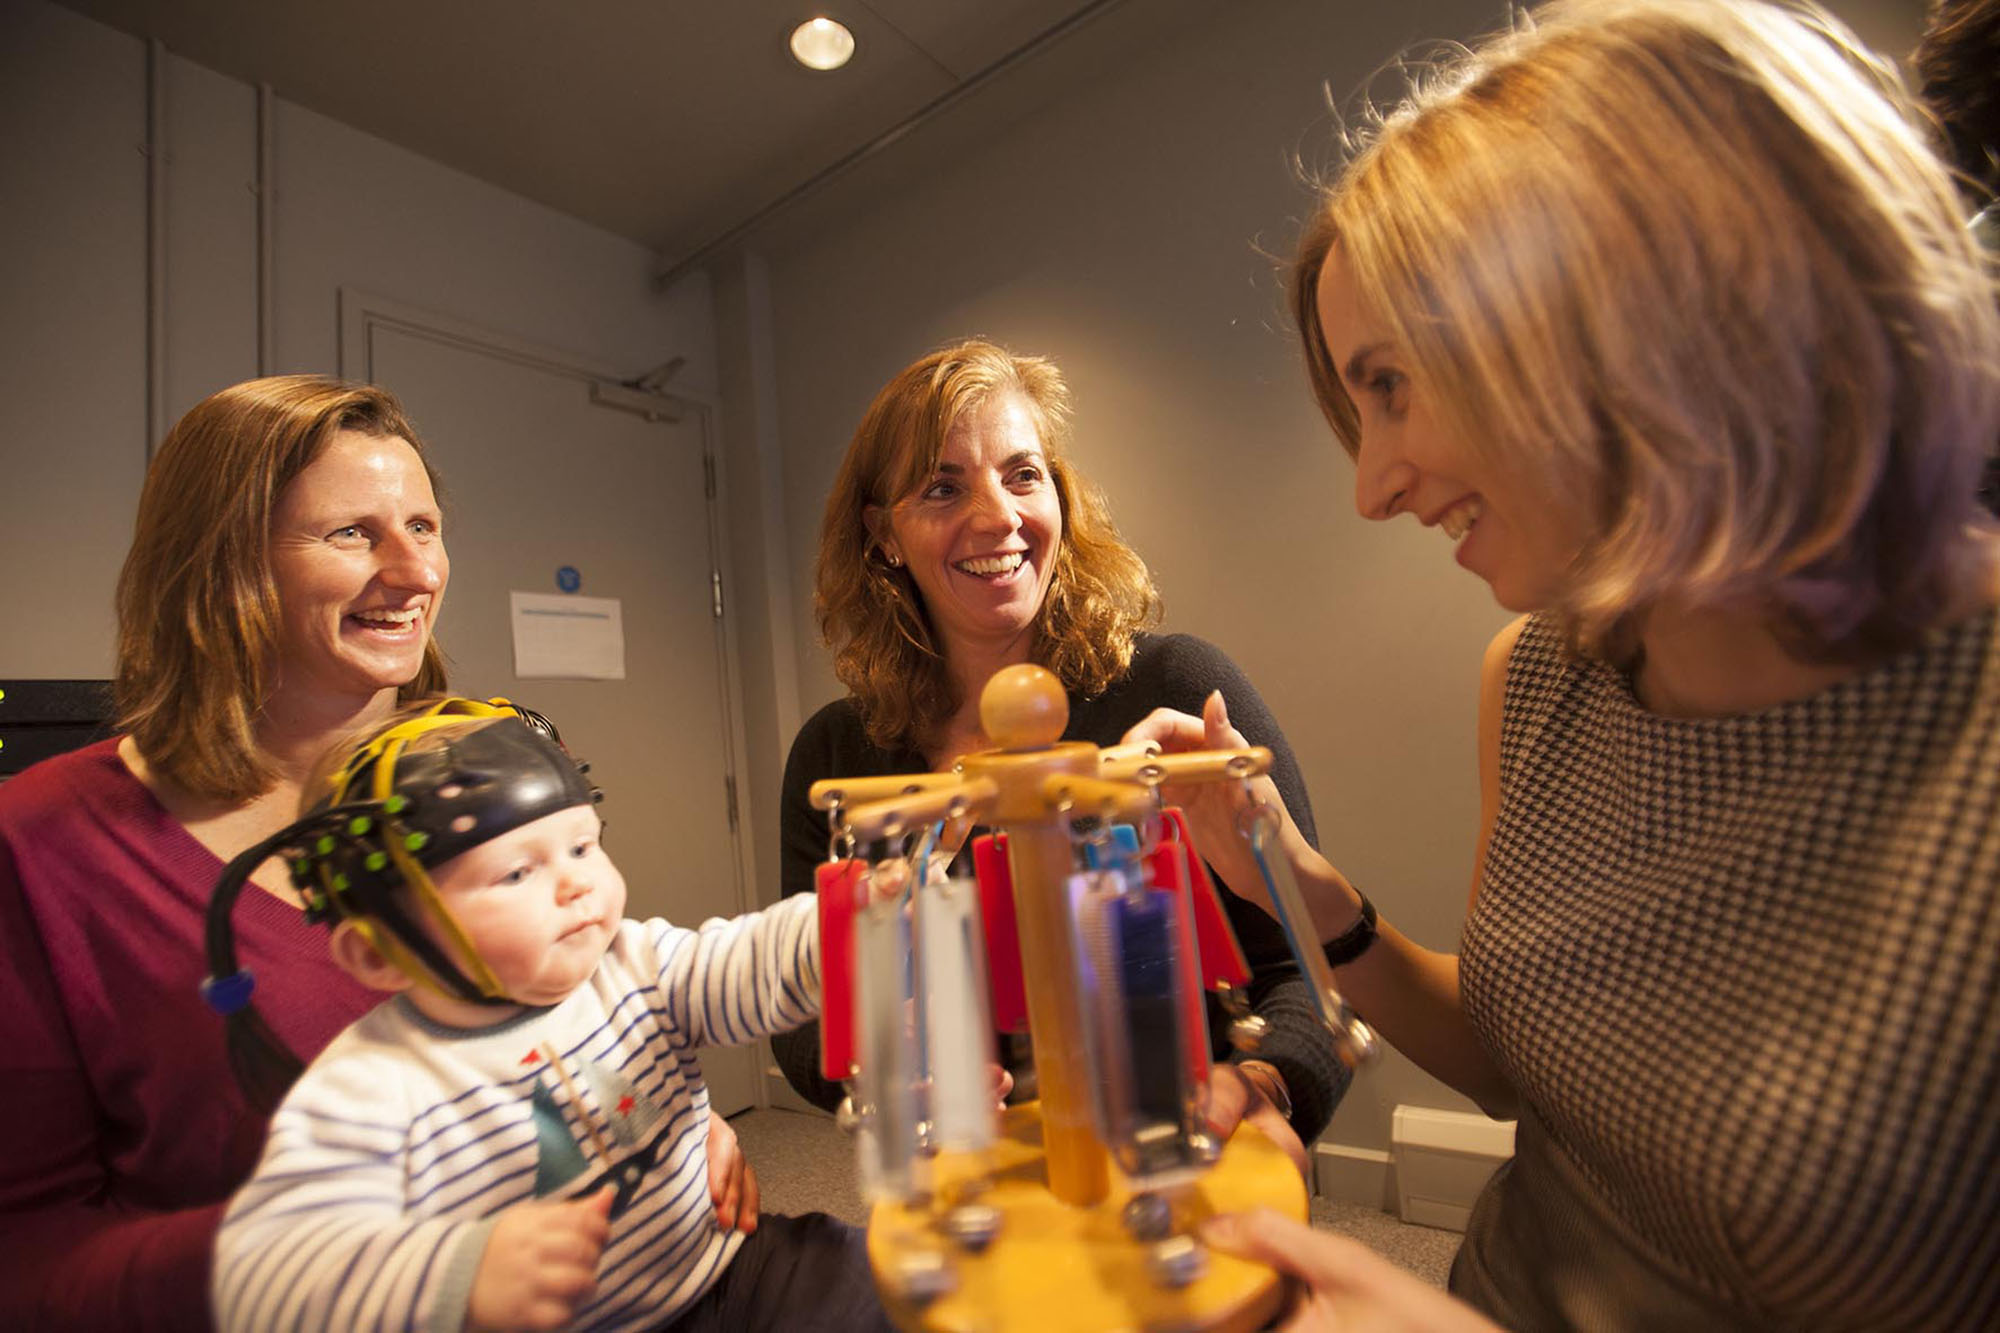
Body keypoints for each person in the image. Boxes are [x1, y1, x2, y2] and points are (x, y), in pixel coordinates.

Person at [1136, 1, 2000, 1328]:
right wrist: (1298, 885)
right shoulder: (1544, 675)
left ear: (1630, 321)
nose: (1372, 486)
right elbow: (1524, 1061)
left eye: (1392, 385)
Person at [0, 375, 753, 1331]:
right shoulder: (43, 844)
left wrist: (674, 1122)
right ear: (220, 563)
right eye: (353, 533)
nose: (415, 571)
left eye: (425, 528)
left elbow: (586, 1014)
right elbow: (25, 1252)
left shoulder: (491, 757)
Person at [772, 339, 1350, 1168]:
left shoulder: (1179, 689)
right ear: (884, 535)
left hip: (1183, 1158)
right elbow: (799, 1011)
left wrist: (1267, 1084)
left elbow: (1307, 960)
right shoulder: (836, 753)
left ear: (1060, 498)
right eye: (942, 486)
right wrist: (883, 1059)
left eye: (1022, 474)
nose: (998, 516)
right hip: (965, 1176)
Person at [208, 698, 886, 1332]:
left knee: (894, 1287)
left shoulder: (631, 960)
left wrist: (838, 927)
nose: (577, 882)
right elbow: (263, 1275)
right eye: (515, 873)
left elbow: (741, 961)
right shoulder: (373, 1085)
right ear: (379, 952)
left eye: (584, 846)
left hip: (728, 1266)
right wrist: (462, 1271)